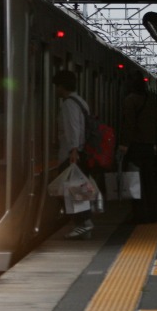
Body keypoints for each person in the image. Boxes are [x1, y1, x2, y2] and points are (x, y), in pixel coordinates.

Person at [52, 70, 93, 239]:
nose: (56, 90)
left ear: (62, 86)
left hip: (71, 154)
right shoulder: (81, 101)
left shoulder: (69, 104)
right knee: (77, 189)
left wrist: (74, 150)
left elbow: (73, 127)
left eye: (57, 86)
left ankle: (83, 224)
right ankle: (83, 223)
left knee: (68, 190)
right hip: (79, 152)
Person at [118, 74, 157, 224]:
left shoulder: (130, 100)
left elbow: (128, 124)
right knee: (150, 181)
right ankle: (154, 214)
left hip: (135, 146)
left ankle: (139, 215)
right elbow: (156, 122)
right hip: (148, 146)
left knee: (135, 182)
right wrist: (154, 142)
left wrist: (124, 144)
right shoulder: (150, 100)